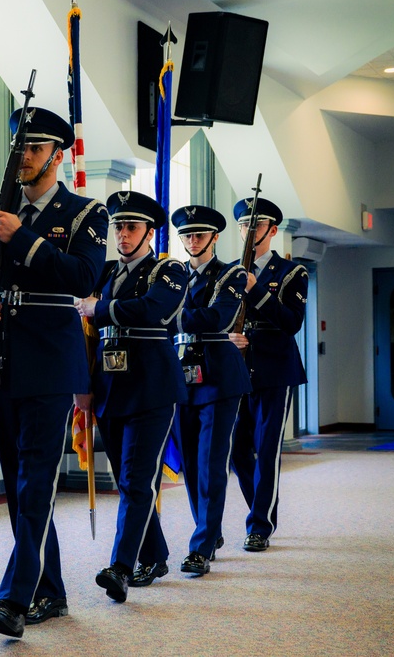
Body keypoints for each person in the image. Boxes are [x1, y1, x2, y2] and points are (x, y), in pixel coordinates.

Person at [0, 106, 108, 638]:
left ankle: (15, 598)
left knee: (37, 481)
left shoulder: (86, 213)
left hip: (50, 363)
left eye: (33, 148)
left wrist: (24, 237)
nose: (21, 157)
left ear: (56, 154)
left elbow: (85, 278)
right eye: (18, 148)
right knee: (15, 483)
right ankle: (51, 590)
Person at [74, 191, 187, 603]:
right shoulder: (104, 273)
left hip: (152, 389)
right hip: (109, 388)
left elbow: (154, 309)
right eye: (118, 227)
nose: (122, 235)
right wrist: (81, 385)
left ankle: (121, 567)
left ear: (149, 232)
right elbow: (81, 322)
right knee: (128, 481)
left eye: (131, 227)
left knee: (139, 480)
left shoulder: (168, 268)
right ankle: (155, 555)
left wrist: (99, 307)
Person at [169, 205, 251, 576]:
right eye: (186, 235)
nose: (192, 241)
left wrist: (165, 312)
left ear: (215, 238)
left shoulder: (231, 274)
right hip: (181, 376)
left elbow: (218, 317)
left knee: (210, 463)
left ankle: (201, 546)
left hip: (219, 377)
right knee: (188, 462)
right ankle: (209, 528)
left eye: (199, 235)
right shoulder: (171, 274)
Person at [228, 197, 308, 552]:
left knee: (267, 448)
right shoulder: (227, 271)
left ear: (272, 231)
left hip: (275, 368)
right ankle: (259, 510)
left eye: (256, 226)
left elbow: (291, 323)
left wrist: (255, 288)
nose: (248, 232)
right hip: (235, 369)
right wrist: (228, 336)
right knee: (237, 451)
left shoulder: (292, 273)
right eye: (244, 225)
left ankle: (259, 524)